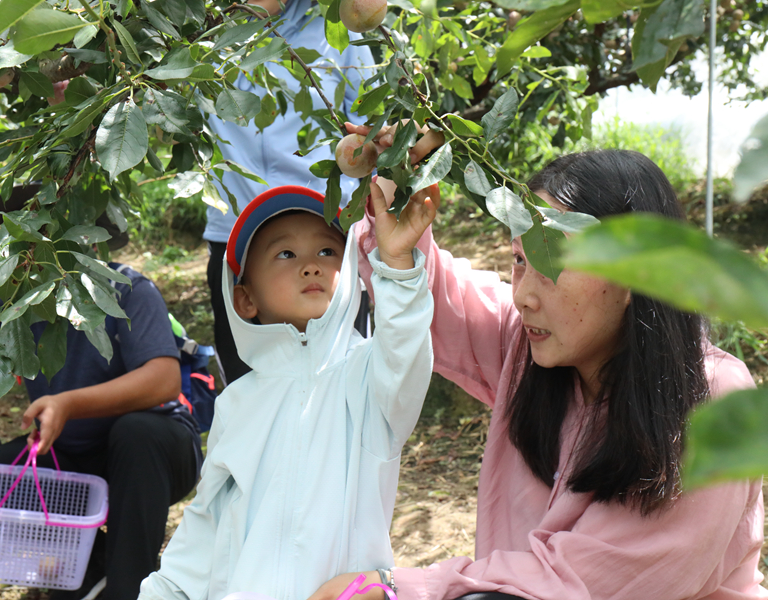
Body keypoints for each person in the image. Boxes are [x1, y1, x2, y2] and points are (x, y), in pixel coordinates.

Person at [306, 144, 768, 600]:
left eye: (552, 263)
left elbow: (575, 585)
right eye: (519, 260)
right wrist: (396, 177)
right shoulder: (529, 347)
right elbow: (434, 296)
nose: (523, 295)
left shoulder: (711, 406)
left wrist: (392, 589)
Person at [138, 182, 436, 600]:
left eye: (327, 251)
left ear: (350, 275)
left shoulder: (370, 376)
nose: (311, 266)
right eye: (285, 254)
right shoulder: (237, 403)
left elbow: (406, 349)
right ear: (245, 299)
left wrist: (398, 266)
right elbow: (206, 522)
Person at [0, 260, 202, 600]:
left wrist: (68, 405)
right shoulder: (10, 303)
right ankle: (92, 572)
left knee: (136, 433)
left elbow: (163, 380)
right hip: (71, 457)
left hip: (152, 456)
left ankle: (130, 589)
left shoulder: (127, 289)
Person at [204, 0, 376, 384]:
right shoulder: (204, 31)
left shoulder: (338, 28)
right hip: (238, 238)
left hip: (327, 230)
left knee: (346, 377)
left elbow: (371, 133)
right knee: (249, 383)